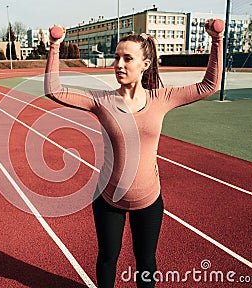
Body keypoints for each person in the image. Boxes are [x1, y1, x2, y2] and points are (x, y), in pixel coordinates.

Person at [44, 20, 223, 288]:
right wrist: (55, 46)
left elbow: (209, 85)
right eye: (117, 58)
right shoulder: (101, 101)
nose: (119, 65)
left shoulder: (161, 99)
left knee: (146, 262)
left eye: (128, 58)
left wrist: (216, 40)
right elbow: (54, 90)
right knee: (107, 258)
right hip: (108, 199)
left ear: (145, 64)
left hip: (149, 201)